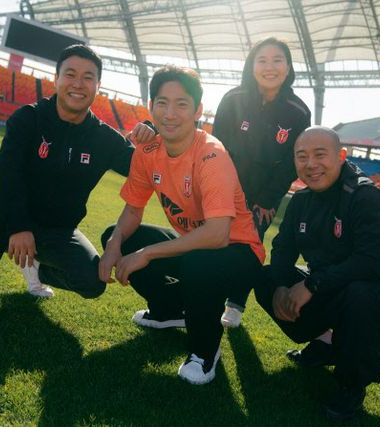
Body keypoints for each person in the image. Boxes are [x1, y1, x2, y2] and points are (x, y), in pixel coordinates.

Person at [0, 44, 155, 329]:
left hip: (59, 229)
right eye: (70, 74)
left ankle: (36, 268)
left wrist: (152, 135)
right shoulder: (28, 118)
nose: (78, 84)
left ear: (98, 86)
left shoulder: (104, 139)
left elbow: (146, 168)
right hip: (13, 217)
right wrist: (19, 226)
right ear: (56, 78)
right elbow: (6, 175)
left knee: (92, 282)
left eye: (87, 77)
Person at [99, 65, 265, 385]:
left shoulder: (212, 155)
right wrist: (113, 245)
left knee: (197, 262)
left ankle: (205, 350)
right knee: (118, 237)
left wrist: (147, 254)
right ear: (151, 107)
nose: (170, 113)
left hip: (240, 252)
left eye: (181, 104)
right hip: (197, 246)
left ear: (198, 111)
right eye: (162, 103)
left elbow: (217, 235)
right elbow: (133, 210)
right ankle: (169, 311)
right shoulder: (147, 151)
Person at [254, 127, 380, 421]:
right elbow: (283, 249)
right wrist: (279, 286)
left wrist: (312, 284)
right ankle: (325, 344)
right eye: (302, 156)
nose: (311, 164)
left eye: (320, 155)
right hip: (331, 290)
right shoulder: (301, 200)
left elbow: (372, 263)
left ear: (341, 156)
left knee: (360, 294)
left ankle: (352, 385)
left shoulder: (365, 197)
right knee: (266, 277)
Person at [212, 37, 311, 328]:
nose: (270, 67)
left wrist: (268, 198)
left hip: (263, 197)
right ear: (252, 65)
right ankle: (205, 294)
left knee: (248, 248)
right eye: (262, 60)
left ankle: (235, 303)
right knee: (213, 241)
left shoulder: (298, 111)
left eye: (277, 60)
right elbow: (215, 146)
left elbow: (294, 160)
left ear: (288, 67)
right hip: (223, 188)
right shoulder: (233, 98)